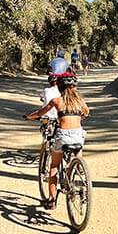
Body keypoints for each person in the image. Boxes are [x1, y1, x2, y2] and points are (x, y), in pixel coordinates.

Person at [24, 73, 89, 209]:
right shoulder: (80, 101)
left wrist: (29, 117)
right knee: (77, 148)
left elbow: (40, 113)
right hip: (78, 136)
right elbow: (86, 113)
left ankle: (52, 199)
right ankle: (79, 169)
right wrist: (77, 117)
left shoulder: (57, 101)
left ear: (59, 87)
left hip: (63, 136)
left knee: (53, 167)